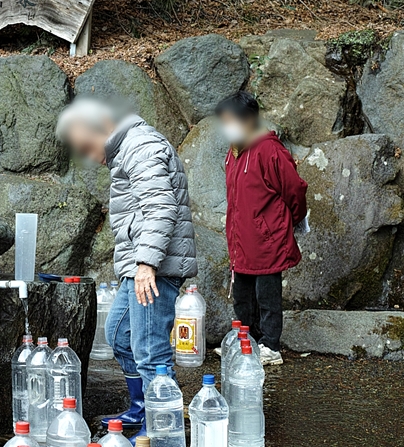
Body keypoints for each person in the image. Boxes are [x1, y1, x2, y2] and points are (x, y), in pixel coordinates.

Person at [56, 98, 196, 435]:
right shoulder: (126, 150)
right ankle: (141, 406)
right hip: (140, 268)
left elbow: (161, 207)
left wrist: (147, 262)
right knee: (119, 334)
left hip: (154, 269)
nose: (91, 156)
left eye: (88, 146)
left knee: (151, 352)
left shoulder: (140, 146)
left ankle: (164, 427)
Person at [215, 91, 307, 367]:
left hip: (267, 237)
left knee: (267, 295)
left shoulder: (269, 149)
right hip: (242, 236)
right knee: (242, 293)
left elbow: (294, 189)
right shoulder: (234, 152)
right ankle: (245, 340)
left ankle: (270, 345)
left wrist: (291, 220)